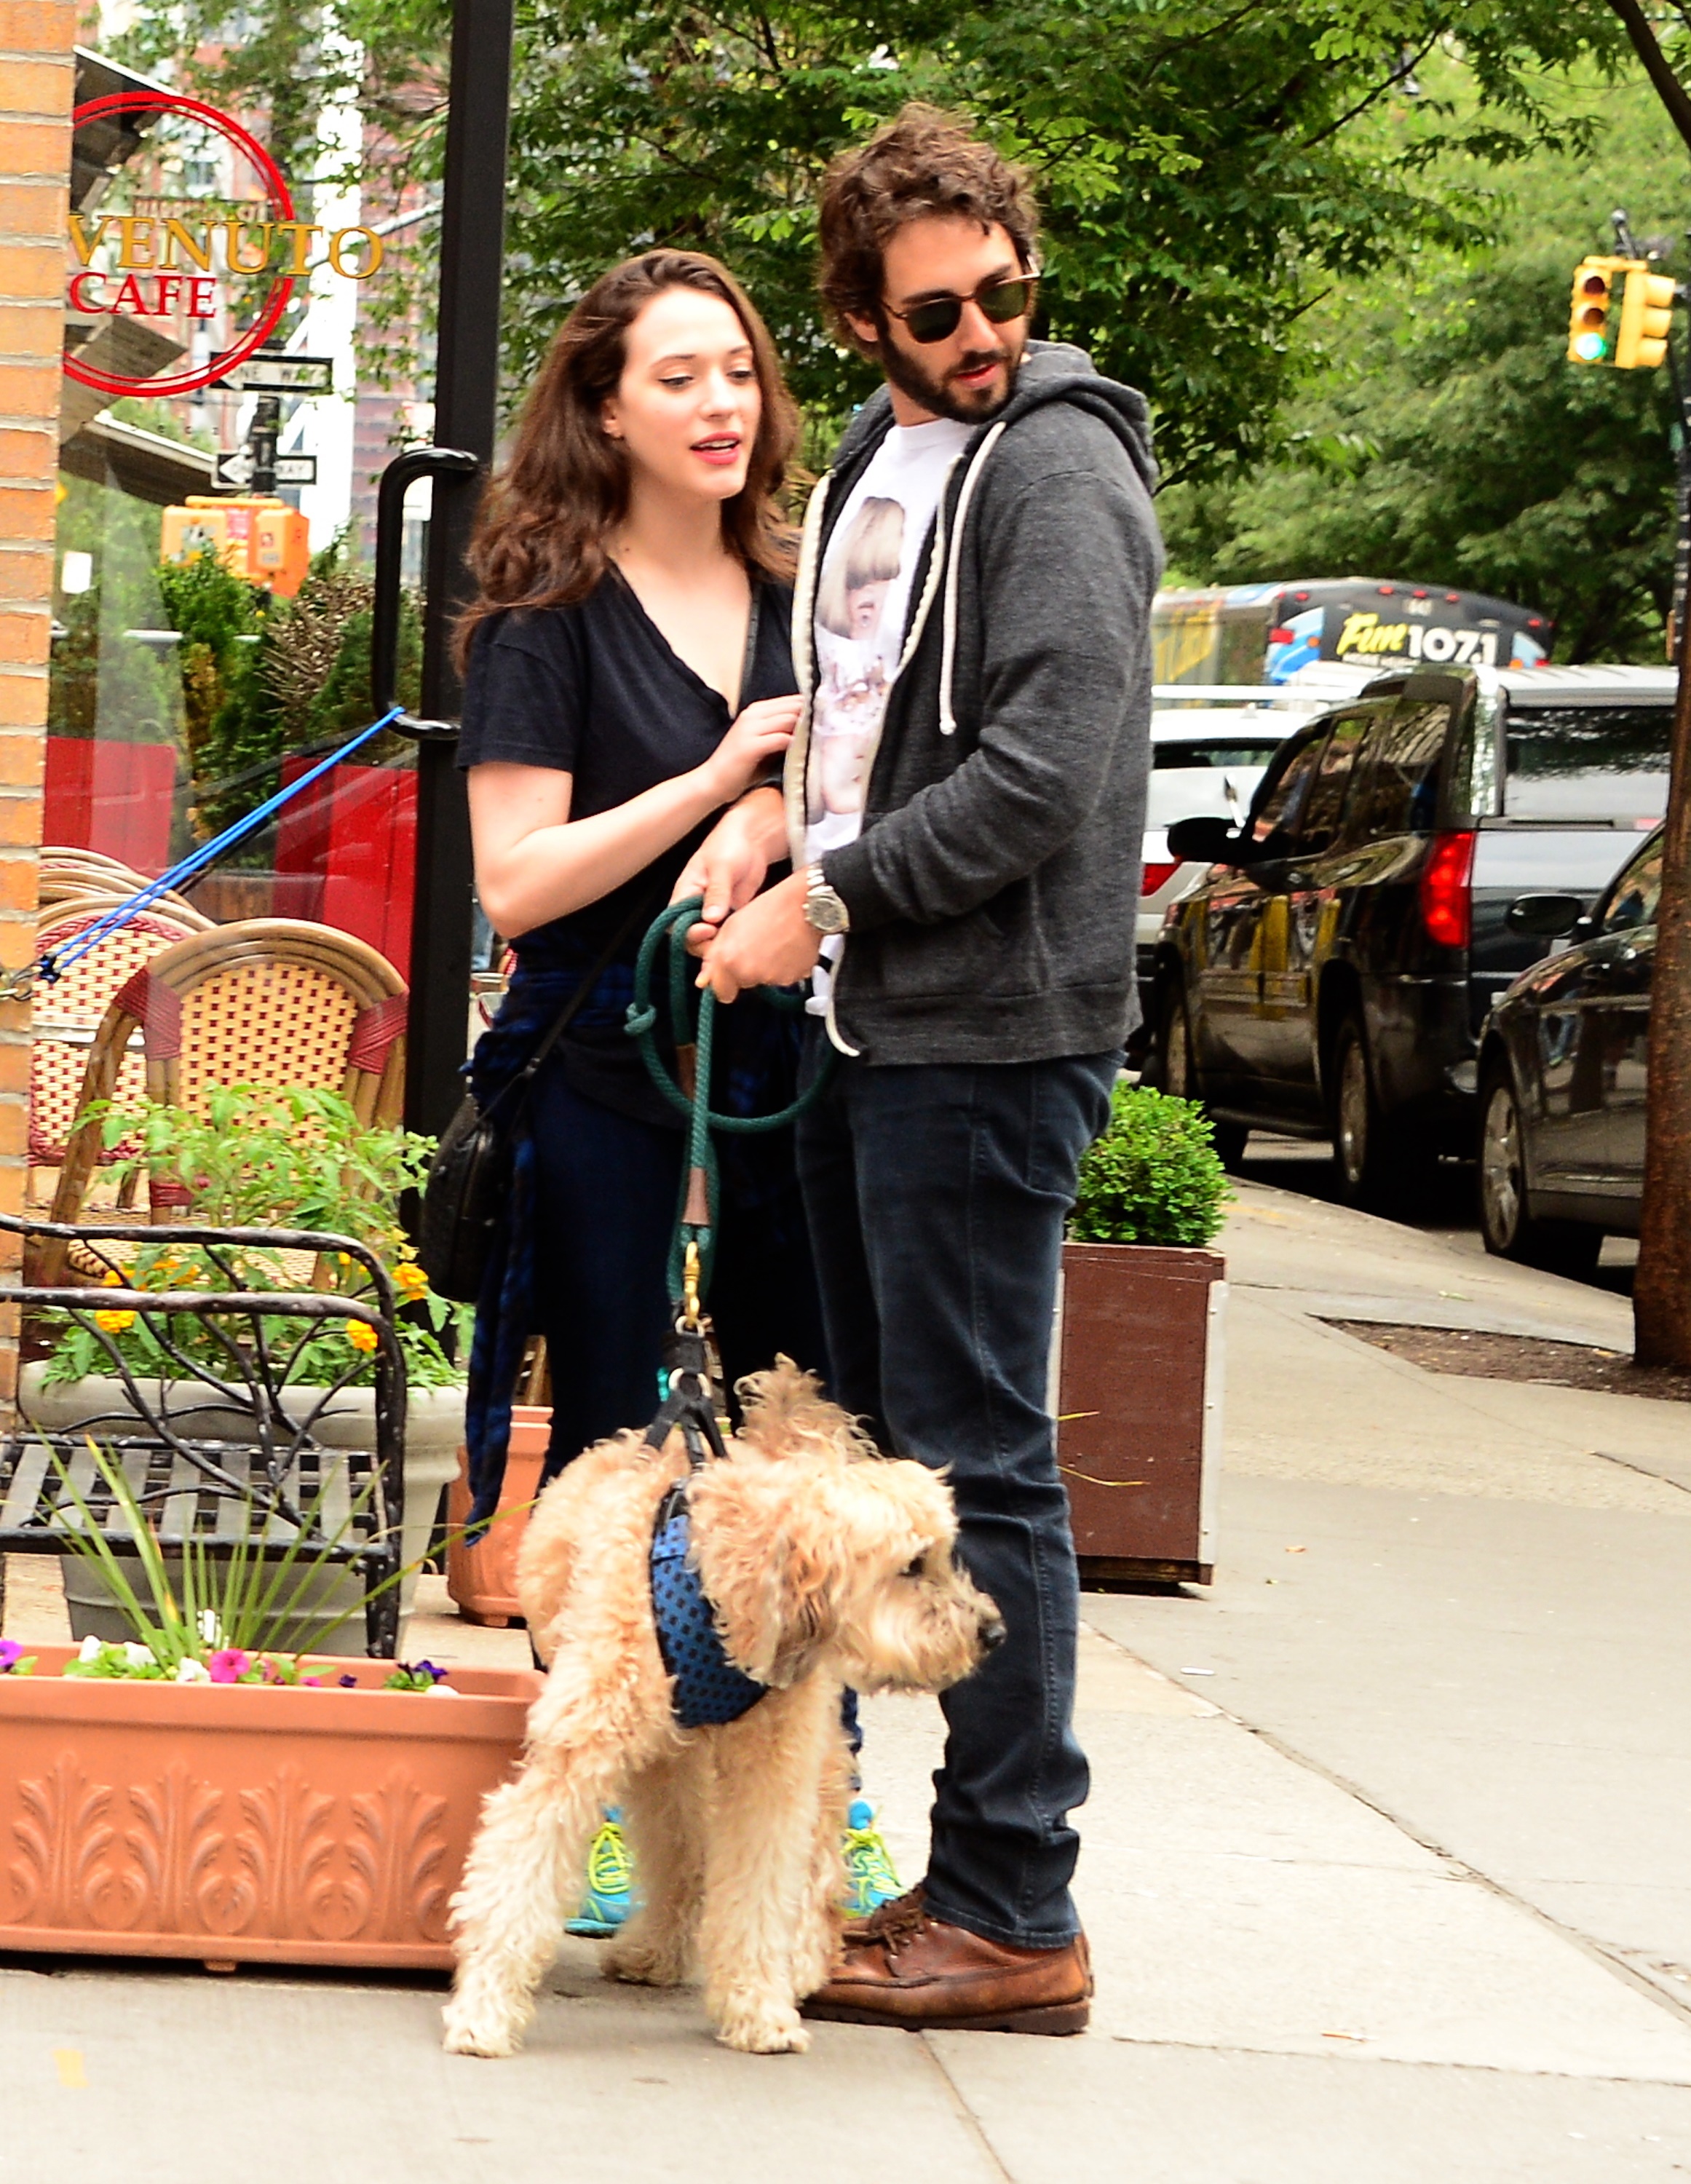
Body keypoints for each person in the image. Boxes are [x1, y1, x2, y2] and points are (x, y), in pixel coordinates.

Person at [684, 107, 1163, 2033]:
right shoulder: (884, 461)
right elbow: (863, 715)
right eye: (936, 312)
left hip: (986, 1031)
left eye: (1000, 294)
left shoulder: (1056, 471)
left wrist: (836, 894)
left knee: (979, 1477)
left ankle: (1013, 1908)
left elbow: (1048, 771)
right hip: (869, 1027)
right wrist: (765, 822)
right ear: (863, 325)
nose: (980, 332)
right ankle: (916, 1886)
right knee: (889, 1470)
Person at [454, 248, 898, 1931]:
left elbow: (858, 797)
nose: (721, 405)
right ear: (605, 406)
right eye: (678, 378)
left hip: (793, 1067)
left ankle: (816, 1804)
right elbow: (515, 883)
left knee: (803, 1442)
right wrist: (713, 776)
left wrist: (772, 818)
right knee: (626, 1447)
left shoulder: (818, 597)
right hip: (597, 1069)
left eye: (738, 372)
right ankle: (620, 1818)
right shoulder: (540, 622)